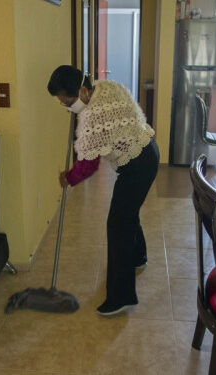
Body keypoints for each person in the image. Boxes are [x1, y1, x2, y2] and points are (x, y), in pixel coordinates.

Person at [47, 65, 159, 316]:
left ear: (83, 90)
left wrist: (69, 178)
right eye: (63, 104)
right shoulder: (107, 86)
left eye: (70, 101)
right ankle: (139, 256)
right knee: (127, 213)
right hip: (149, 149)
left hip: (138, 165)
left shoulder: (92, 116)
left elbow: (88, 164)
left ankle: (122, 296)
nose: (68, 107)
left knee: (118, 224)